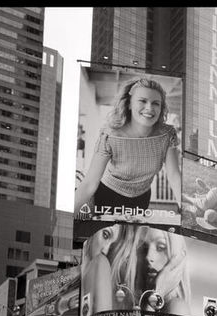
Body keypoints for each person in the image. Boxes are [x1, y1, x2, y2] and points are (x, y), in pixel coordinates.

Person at [74, 76, 181, 215]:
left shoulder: (167, 134)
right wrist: (64, 219)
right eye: (142, 101)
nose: (149, 108)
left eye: (156, 103)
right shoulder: (110, 135)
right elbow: (89, 184)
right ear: (129, 104)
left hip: (141, 199)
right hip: (107, 196)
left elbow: (174, 175)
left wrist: (184, 209)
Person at [111, 226, 191, 316]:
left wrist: (158, 293)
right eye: (144, 248)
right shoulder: (133, 301)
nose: (148, 257)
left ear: (178, 257)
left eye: (160, 248)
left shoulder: (177, 307)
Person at [81, 224, 122, 316]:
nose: (105, 250)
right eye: (105, 235)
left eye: (112, 245)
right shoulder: (101, 262)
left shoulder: (100, 264)